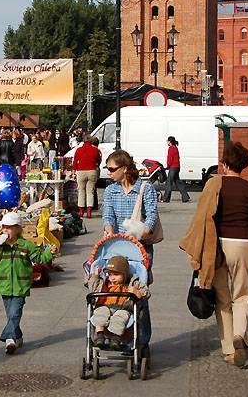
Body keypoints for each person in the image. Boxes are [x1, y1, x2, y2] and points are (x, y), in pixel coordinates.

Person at [180, 141, 248, 368]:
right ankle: (240, 334)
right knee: (243, 295)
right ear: (243, 165)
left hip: (216, 246)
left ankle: (229, 348)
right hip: (243, 243)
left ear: (225, 163)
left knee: (222, 298)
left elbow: (204, 216)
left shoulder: (215, 185)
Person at [102, 149, 158, 351]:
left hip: (140, 248)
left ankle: (141, 339)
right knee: (114, 288)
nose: (108, 173)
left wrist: (143, 231)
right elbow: (108, 216)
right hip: (117, 247)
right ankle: (113, 333)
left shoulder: (145, 188)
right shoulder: (110, 191)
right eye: (107, 169)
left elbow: (152, 214)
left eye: (112, 169)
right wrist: (108, 231)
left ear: (124, 169)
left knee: (137, 292)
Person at [0, 211, 55, 354]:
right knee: (11, 314)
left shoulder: (25, 245)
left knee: (15, 313)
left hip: (21, 285)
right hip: (4, 285)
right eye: (4, 227)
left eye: (10, 227)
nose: (6, 230)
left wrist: (50, 252)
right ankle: (18, 336)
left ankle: (9, 339)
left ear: (18, 228)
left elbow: (40, 258)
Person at [89, 255, 150, 349]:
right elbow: (93, 288)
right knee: (99, 312)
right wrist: (95, 276)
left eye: (116, 275)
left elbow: (146, 293)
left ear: (125, 274)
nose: (112, 278)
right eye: (109, 274)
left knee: (120, 317)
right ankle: (99, 335)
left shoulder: (133, 283)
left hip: (123, 308)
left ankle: (115, 338)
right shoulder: (104, 283)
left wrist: (137, 292)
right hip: (106, 306)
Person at [71, 133, 101, 218]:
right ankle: (89, 211)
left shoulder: (78, 150)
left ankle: (81, 211)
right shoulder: (95, 150)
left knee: (81, 191)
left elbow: (75, 162)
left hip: (81, 171)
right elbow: (98, 160)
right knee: (90, 191)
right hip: (92, 171)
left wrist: (73, 171)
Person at [162, 136, 190, 203]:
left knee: (168, 183)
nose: (167, 142)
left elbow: (170, 159)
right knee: (178, 183)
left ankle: (165, 199)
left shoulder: (171, 148)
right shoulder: (175, 148)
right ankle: (185, 197)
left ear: (169, 142)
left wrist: (167, 167)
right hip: (177, 167)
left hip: (173, 168)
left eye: (167, 141)